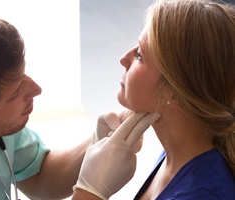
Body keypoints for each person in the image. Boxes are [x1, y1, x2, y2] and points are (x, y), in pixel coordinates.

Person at [0, 10, 162, 200]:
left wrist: (96, 141)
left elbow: (41, 179)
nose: (36, 89)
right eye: (16, 92)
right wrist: (91, 191)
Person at [72, 0, 235, 199]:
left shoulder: (200, 194)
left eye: (139, 55)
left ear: (174, 90)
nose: (123, 59)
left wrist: (90, 192)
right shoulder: (177, 156)